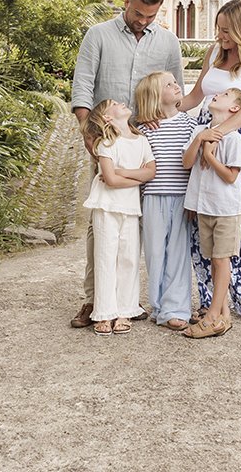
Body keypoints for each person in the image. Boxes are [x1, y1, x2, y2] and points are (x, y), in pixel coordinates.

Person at [68, 0, 184, 328]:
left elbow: (175, 92)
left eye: (151, 16)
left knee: (143, 221)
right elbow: (83, 86)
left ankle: (132, 301)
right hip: (106, 142)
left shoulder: (167, 41)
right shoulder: (98, 35)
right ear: (127, 1)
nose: (143, 21)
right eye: (138, 13)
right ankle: (95, 300)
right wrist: (91, 136)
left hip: (148, 142)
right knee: (102, 222)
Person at [178, 0, 241, 324]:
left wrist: (218, 132)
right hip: (202, 129)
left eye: (227, 31)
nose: (220, 36)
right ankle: (210, 300)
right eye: (218, 29)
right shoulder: (214, 54)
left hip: (233, 134)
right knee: (200, 214)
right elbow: (194, 97)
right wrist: (160, 112)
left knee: (237, 218)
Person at [180, 87, 241, 339]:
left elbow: (231, 177)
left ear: (233, 108)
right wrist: (200, 141)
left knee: (221, 260)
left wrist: (209, 156)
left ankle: (213, 316)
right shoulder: (200, 131)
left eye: (223, 96)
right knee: (212, 259)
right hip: (204, 207)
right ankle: (224, 316)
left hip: (225, 209)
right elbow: (186, 163)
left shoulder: (233, 139)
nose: (216, 96)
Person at [80, 99, 155, 336]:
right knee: (105, 258)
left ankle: (125, 309)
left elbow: (151, 172)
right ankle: (104, 312)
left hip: (130, 208)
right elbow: (110, 182)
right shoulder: (107, 143)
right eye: (115, 104)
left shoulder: (141, 141)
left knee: (128, 259)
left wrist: (122, 172)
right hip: (107, 207)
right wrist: (137, 177)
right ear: (107, 118)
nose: (122, 103)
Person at [133, 71, 198, 331]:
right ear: (155, 97)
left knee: (178, 255)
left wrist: (194, 201)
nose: (176, 86)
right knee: (155, 253)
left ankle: (176, 308)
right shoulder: (142, 131)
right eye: (169, 84)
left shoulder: (189, 125)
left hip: (181, 198)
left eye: (175, 82)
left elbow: (195, 167)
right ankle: (158, 306)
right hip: (152, 199)